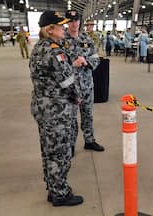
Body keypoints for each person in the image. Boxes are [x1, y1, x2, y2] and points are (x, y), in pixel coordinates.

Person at [30, 10, 84, 206]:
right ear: (50, 30)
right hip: (57, 111)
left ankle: (53, 187)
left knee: (49, 151)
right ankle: (60, 193)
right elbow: (68, 82)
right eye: (60, 26)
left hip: (44, 108)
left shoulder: (40, 48)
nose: (63, 28)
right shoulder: (54, 51)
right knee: (60, 153)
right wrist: (78, 97)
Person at [64, 9, 104, 156]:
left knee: (88, 115)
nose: (74, 23)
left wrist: (87, 62)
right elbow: (56, 65)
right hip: (71, 87)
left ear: (80, 21)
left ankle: (89, 140)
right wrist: (72, 64)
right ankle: (71, 145)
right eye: (70, 21)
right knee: (71, 119)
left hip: (87, 85)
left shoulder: (87, 39)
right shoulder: (61, 40)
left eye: (76, 20)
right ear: (66, 22)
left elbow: (96, 58)